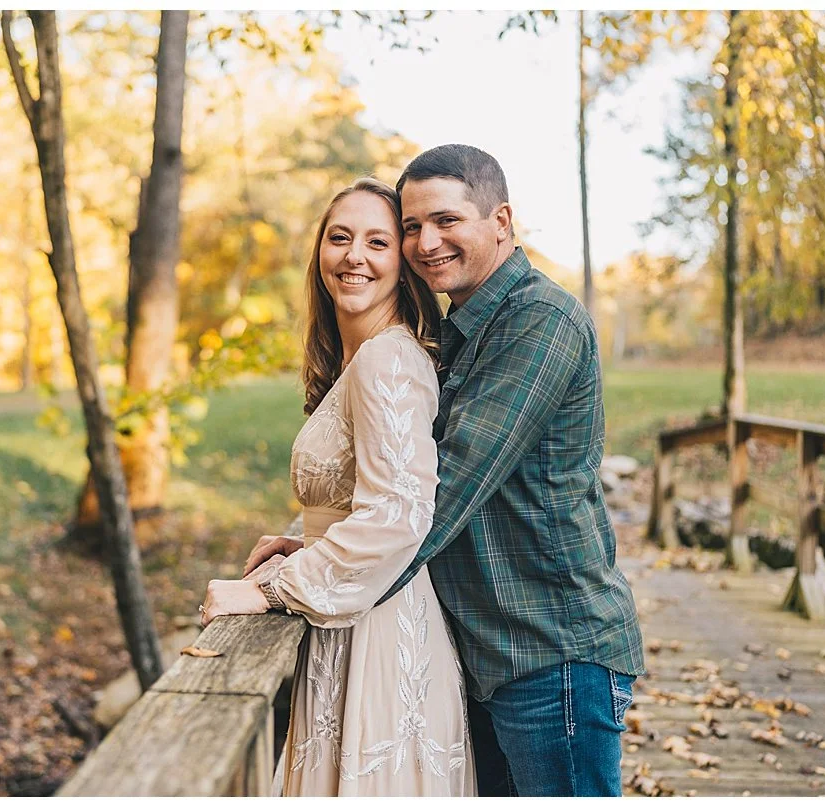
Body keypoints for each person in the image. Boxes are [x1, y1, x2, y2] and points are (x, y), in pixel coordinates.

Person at [242, 145, 645, 797]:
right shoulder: (461, 330)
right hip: (489, 650)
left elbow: (434, 497)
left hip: (551, 652)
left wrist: (289, 581)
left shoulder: (540, 321)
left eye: (446, 221)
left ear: (501, 222)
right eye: (412, 226)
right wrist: (325, 541)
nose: (426, 241)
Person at [199, 177, 476, 796]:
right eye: (340, 238)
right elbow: (366, 500)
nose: (354, 256)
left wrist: (271, 591)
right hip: (347, 618)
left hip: (378, 633)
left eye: (378, 242)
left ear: (402, 268)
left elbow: (400, 515)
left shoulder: (387, 360)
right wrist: (308, 547)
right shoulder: (362, 359)